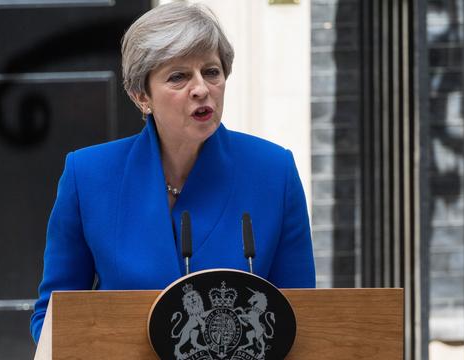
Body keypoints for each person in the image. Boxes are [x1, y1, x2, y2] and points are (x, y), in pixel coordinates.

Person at [30, 2, 315, 343]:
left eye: (211, 72)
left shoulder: (274, 171)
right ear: (141, 96)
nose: (201, 88)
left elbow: (301, 313)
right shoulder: (87, 175)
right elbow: (52, 316)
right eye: (178, 77)